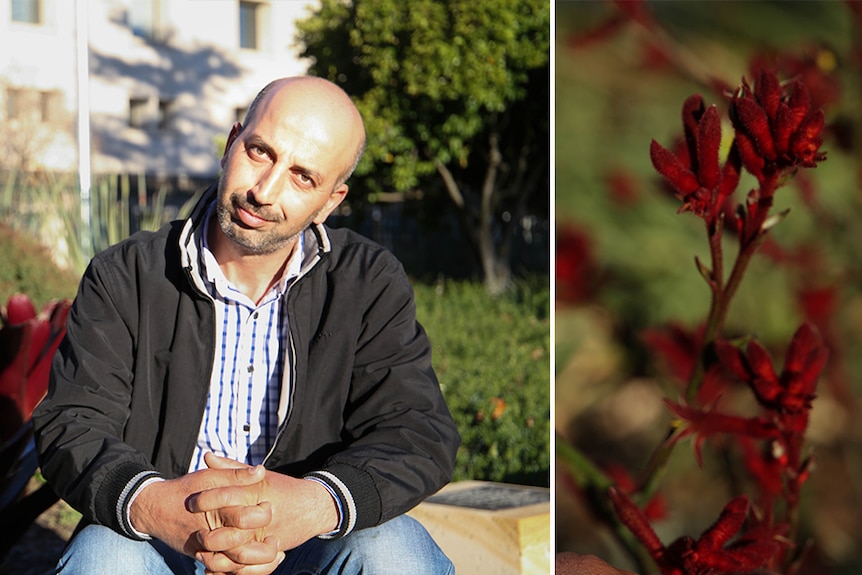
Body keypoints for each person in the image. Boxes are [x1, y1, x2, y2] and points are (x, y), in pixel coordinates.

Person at [32, 76, 461, 575]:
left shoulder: (367, 281)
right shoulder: (126, 275)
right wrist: (154, 505)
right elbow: (72, 422)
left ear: (331, 200)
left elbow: (417, 428)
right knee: (104, 559)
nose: (265, 191)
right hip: (161, 541)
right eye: (260, 151)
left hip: (306, 544)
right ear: (232, 140)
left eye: (304, 177)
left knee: (392, 552)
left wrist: (314, 504)